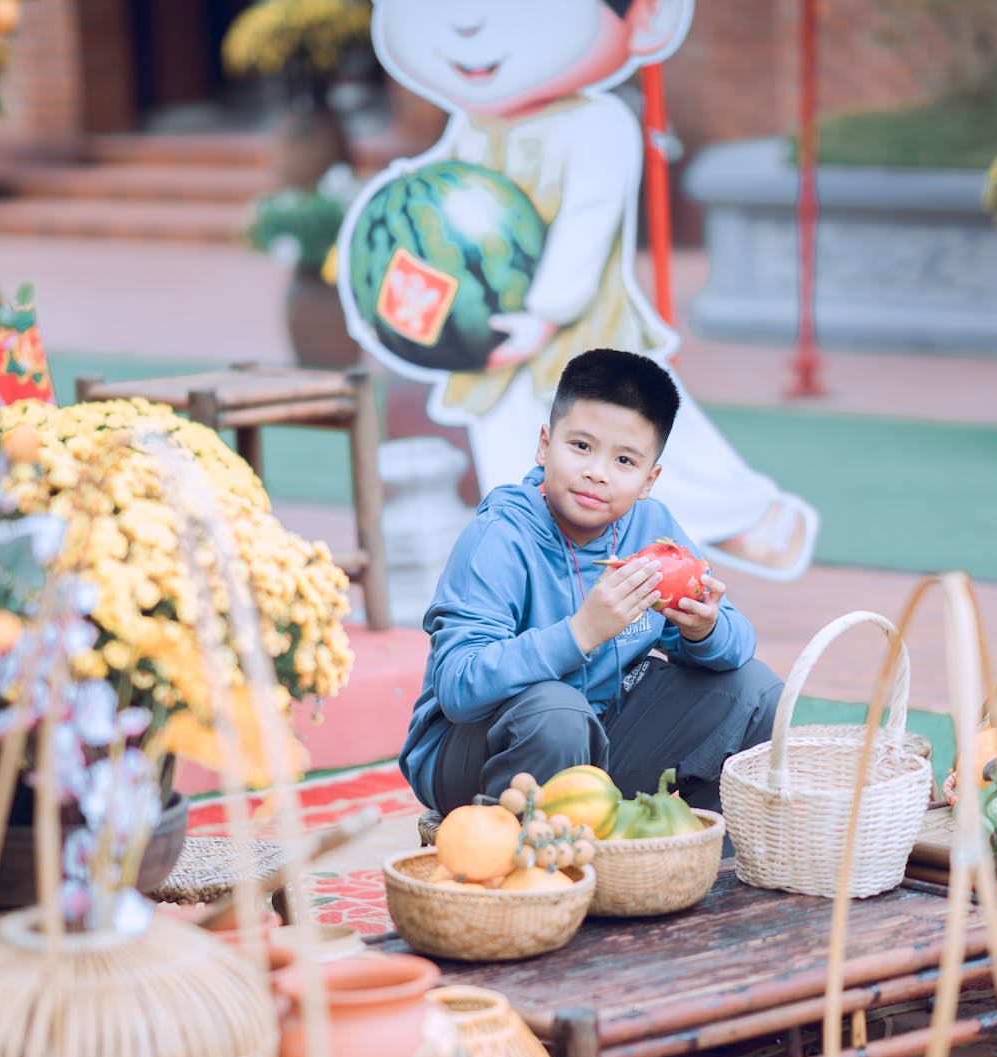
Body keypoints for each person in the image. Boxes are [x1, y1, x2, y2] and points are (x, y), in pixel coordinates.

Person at [346, 0, 819, 580]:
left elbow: (586, 223)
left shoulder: (597, 125)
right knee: (517, 445)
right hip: (493, 336)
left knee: (640, 427)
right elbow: (439, 207)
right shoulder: (473, 125)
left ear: (642, 16)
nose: (468, 25)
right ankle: (539, 560)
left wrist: (545, 313)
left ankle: (745, 514)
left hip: (585, 327)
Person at [399, 349, 785, 816]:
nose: (597, 473)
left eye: (624, 460)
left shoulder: (650, 528)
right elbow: (460, 687)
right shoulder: (498, 538)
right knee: (557, 713)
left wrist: (703, 630)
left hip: (599, 737)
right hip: (475, 756)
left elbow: (735, 643)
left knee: (755, 691)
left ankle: (712, 867)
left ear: (649, 479)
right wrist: (581, 632)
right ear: (545, 445)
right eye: (581, 447)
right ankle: (532, 870)